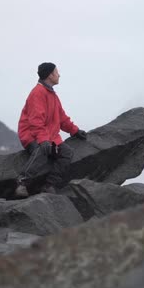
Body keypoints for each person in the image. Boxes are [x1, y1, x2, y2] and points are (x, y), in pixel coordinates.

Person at [15, 62, 87, 197]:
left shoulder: (52, 95)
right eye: (56, 72)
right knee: (43, 150)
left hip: (48, 137)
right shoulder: (38, 93)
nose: (59, 75)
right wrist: (43, 140)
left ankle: (49, 185)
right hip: (32, 135)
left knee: (66, 153)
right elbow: (36, 121)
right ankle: (22, 183)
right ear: (49, 75)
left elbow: (62, 118)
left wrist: (75, 131)